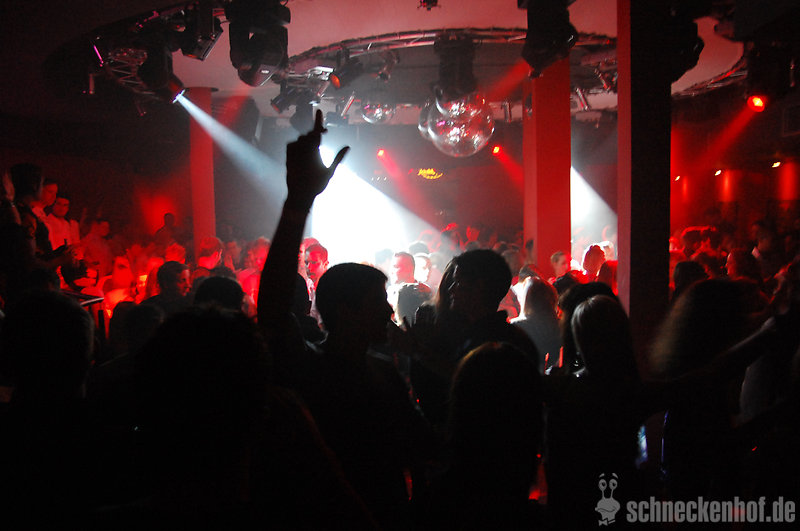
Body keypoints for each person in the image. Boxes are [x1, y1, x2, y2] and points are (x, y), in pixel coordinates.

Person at [257, 111, 432, 528]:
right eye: (377, 302)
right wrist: (297, 203)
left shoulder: (383, 372)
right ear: (347, 311)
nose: (388, 311)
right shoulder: (309, 368)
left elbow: (422, 449)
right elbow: (273, 310)